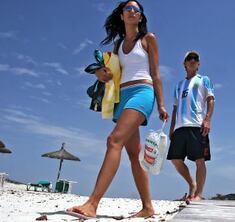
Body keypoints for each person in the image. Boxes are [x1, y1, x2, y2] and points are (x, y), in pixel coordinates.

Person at [67, 0, 168, 218]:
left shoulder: (148, 39)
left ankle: (92, 204)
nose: (132, 11)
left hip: (142, 93)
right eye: (128, 9)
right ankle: (148, 207)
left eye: (136, 10)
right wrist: (100, 74)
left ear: (140, 17)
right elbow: (112, 75)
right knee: (133, 154)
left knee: (114, 141)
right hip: (122, 97)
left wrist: (161, 104)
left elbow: (156, 73)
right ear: (122, 16)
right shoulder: (117, 46)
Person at [167, 51, 215, 202]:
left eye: (196, 59)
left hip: (197, 125)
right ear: (185, 64)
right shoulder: (179, 85)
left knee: (199, 160)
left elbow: (211, 100)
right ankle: (192, 184)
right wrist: (172, 128)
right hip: (180, 127)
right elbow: (175, 108)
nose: (193, 60)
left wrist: (207, 119)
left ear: (198, 64)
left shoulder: (204, 80)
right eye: (190, 58)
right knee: (175, 159)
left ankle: (198, 194)